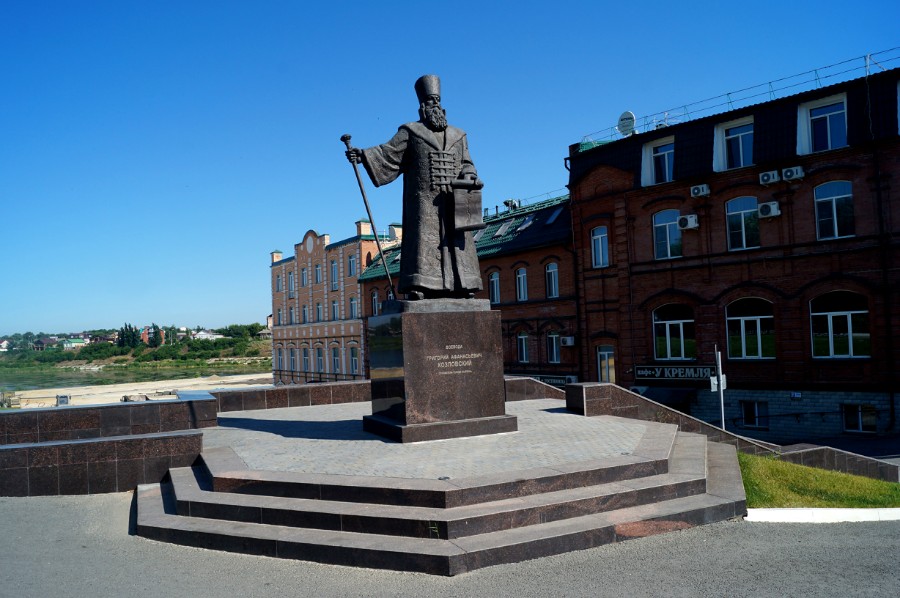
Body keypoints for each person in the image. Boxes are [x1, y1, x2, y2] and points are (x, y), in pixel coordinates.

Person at [345, 75, 483, 300]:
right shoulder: (410, 131)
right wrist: (363, 155)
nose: (434, 105)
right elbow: (388, 153)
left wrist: (469, 176)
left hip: (454, 201)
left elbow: (467, 164)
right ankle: (420, 285)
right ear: (421, 107)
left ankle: (463, 284)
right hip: (424, 203)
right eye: (429, 101)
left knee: (458, 242)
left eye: (437, 100)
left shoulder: (460, 135)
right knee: (422, 244)